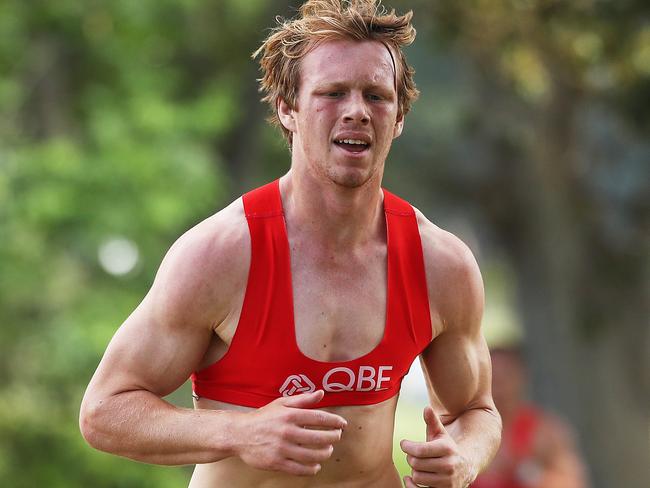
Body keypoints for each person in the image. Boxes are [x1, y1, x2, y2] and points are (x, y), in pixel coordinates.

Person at [79, 1, 502, 487]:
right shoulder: (221, 253)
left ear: (399, 116)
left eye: (376, 96)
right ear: (288, 109)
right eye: (333, 93)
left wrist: (463, 458)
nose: (357, 112)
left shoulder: (439, 264)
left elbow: (476, 410)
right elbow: (104, 412)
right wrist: (242, 432)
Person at [472, 347, 589, 488]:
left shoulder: (545, 431)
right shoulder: (468, 431)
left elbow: (573, 483)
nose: (499, 387)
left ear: (521, 377)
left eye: (506, 377)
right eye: (493, 378)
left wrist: (524, 471)